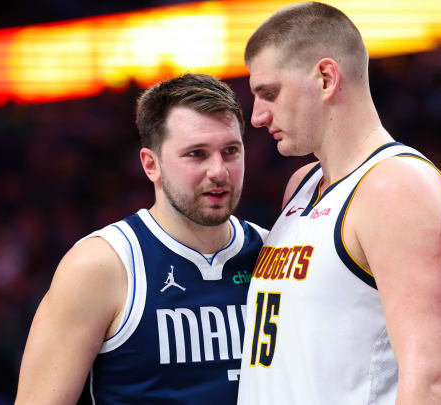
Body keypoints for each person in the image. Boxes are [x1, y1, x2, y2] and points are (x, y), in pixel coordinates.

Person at [237, 3, 441, 404]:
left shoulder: (397, 186)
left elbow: (430, 382)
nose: (256, 116)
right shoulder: (302, 185)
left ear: (325, 78)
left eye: (269, 93)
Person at [15, 73, 268, 404]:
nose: (219, 171)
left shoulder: (273, 251)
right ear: (152, 165)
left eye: (231, 150)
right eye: (197, 154)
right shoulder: (100, 265)